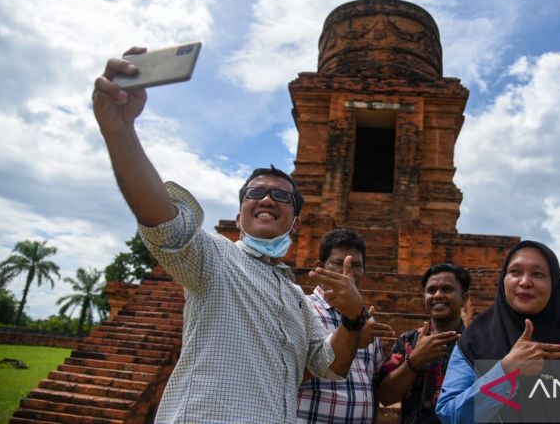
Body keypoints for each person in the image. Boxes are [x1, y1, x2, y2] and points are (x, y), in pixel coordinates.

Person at [92, 48, 368, 423]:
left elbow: (328, 364)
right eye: (255, 193)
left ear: (296, 222)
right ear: (239, 218)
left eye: (282, 196)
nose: (268, 198)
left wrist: (353, 317)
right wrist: (120, 131)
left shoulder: (298, 299)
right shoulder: (214, 259)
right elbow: (163, 221)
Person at [435, 240, 560, 423]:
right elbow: (450, 415)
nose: (525, 282)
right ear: (504, 279)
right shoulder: (475, 340)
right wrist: (506, 370)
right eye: (515, 272)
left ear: (554, 285)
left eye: (538, 274)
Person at [297, 228, 397, 423]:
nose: (348, 272)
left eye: (357, 265)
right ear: (320, 266)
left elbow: (373, 384)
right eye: (338, 263)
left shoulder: (368, 319)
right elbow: (287, 373)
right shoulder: (301, 308)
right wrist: (351, 337)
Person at [378, 263, 471, 423]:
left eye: (447, 289)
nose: (438, 295)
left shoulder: (478, 343)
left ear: (464, 299)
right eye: (431, 290)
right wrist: (415, 360)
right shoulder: (408, 340)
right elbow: (385, 397)